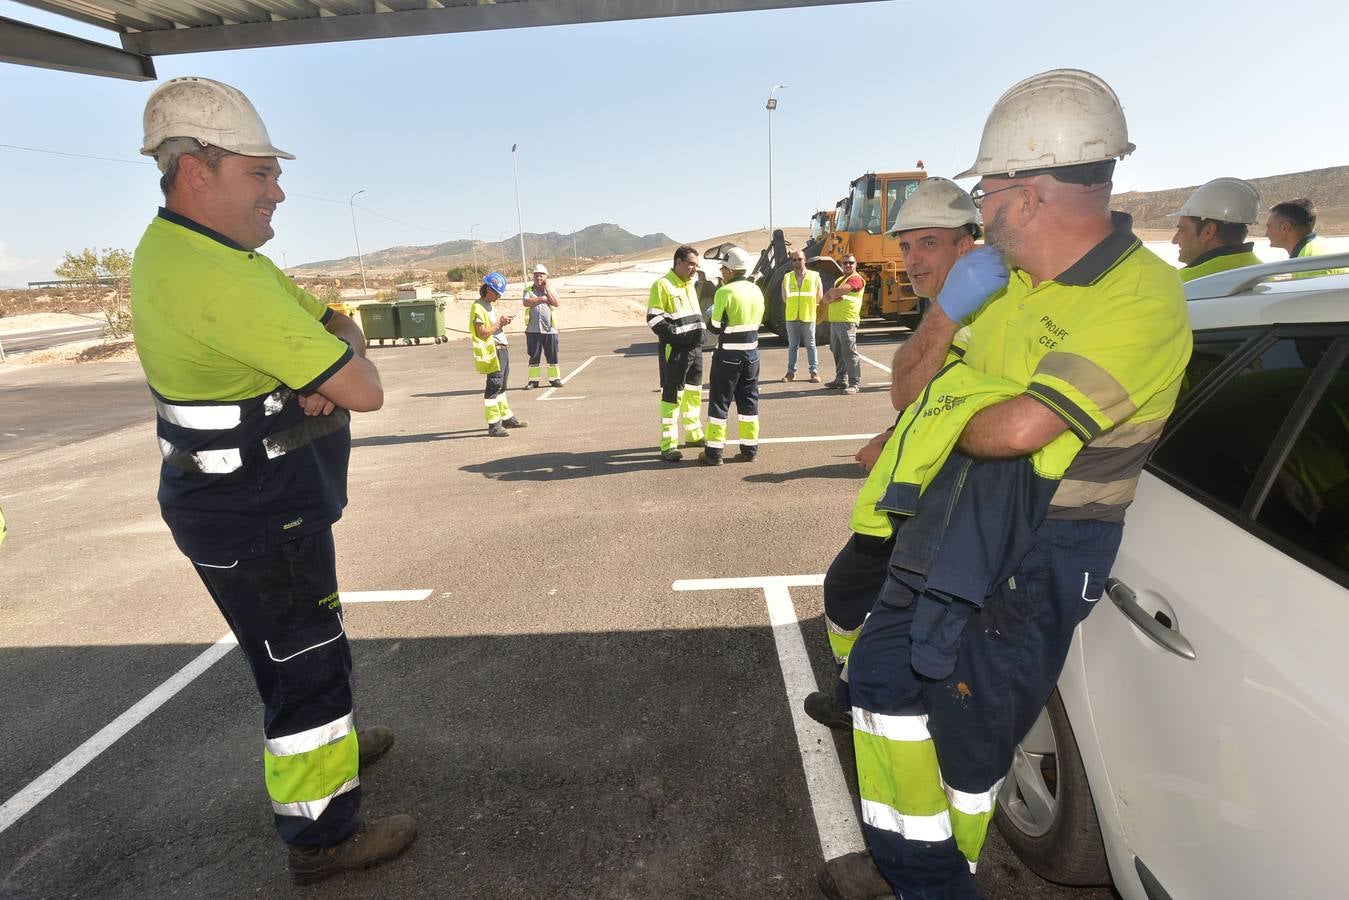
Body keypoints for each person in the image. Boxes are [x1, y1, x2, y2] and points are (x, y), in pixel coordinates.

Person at [818, 69, 1192, 900]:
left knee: (966, 735)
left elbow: (1016, 431)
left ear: (1025, 195)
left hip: (1039, 545)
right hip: (954, 521)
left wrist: (961, 401)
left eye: (986, 189)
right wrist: (947, 313)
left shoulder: (1138, 296)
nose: (977, 207)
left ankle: (937, 880)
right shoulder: (1005, 287)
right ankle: (910, 865)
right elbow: (913, 393)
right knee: (878, 681)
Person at [129, 76, 416, 886]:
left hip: (248, 505)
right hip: (257, 514)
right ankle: (323, 837)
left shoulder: (208, 254)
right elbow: (366, 387)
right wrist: (333, 370)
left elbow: (337, 325)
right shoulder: (221, 279)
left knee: (294, 649)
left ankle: (332, 749)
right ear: (198, 171)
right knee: (304, 663)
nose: (278, 191)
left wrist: (330, 358)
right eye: (260, 174)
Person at [801, 177, 983, 731]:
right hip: (903, 499)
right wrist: (892, 433)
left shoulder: (983, 322)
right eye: (905, 245)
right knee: (852, 595)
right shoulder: (943, 317)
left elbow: (978, 412)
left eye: (928, 242)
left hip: (934, 506)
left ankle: (861, 697)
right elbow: (919, 398)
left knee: (871, 609)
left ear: (967, 247)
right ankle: (853, 690)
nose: (910, 259)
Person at [700, 246, 765, 465]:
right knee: (749, 402)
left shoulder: (724, 292)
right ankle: (750, 449)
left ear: (730, 270)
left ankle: (714, 453)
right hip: (752, 354)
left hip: (728, 356)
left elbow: (715, 326)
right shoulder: (756, 290)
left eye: (723, 268)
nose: (722, 272)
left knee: (720, 402)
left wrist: (713, 317)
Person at [646, 245, 707, 462]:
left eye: (696, 265)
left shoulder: (690, 284)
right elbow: (654, 319)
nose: (694, 269)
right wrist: (678, 336)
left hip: (695, 350)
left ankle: (693, 434)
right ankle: (668, 445)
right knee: (672, 397)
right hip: (676, 352)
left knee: (693, 393)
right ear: (678, 262)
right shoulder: (662, 285)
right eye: (691, 264)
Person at [1168, 177, 1262, 281]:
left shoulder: (1182, 284)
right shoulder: (1262, 274)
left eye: (1181, 230)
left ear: (1208, 232)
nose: (1174, 240)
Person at [470, 271, 528, 437]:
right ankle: (494, 425)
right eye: (497, 293)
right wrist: (499, 323)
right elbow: (483, 332)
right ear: (488, 289)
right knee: (494, 386)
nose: (498, 297)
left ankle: (507, 418)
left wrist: (502, 323)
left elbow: (493, 328)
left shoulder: (489, 306)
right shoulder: (478, 307)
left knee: (502, 386)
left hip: (501, 349)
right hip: (492, 351)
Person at [1265, 198, 1346, 276]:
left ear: (1285, 228)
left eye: (1269, 227)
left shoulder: (1310, 263)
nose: (1266, 234)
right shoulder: (1318, 248)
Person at [822, 254, 865, 393]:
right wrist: (832, 294)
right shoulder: (840, 279)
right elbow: (826, 298)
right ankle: (841, 380)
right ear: (841, 264)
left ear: (855, 264)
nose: (848, 265)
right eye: (845, 263)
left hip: (848, 321)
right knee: (837, 351)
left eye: (850, 263)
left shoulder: (856, 278)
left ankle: (854, 383)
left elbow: (834, 294)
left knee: (849, 352)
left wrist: (833, 294)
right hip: (835, 320)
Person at [781, 250, 822, 383]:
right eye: (794, 260)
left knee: (811, 345)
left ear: (805, 260)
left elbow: (819, 295)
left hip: (808, 316)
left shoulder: (815, 276)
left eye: (799, 259)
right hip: (792, 316)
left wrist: (809, 306)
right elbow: (785, 297)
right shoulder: (787, 277)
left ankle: (814, 372)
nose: (797, 262)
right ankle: (790, 373)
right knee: (793, 346)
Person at [522, 263, 562, 388]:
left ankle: (554, 379)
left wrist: (547, 290)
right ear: (533, 277)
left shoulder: (551, 290)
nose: (539, 278)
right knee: (534, 356)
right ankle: (533, 381)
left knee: (552, 355)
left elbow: (556, 303)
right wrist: (543, 299)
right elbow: (526, 302)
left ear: (546, 277)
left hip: (550, 330)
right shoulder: (528, 290)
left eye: (541, 276)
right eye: (536, 276)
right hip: (533, 330)